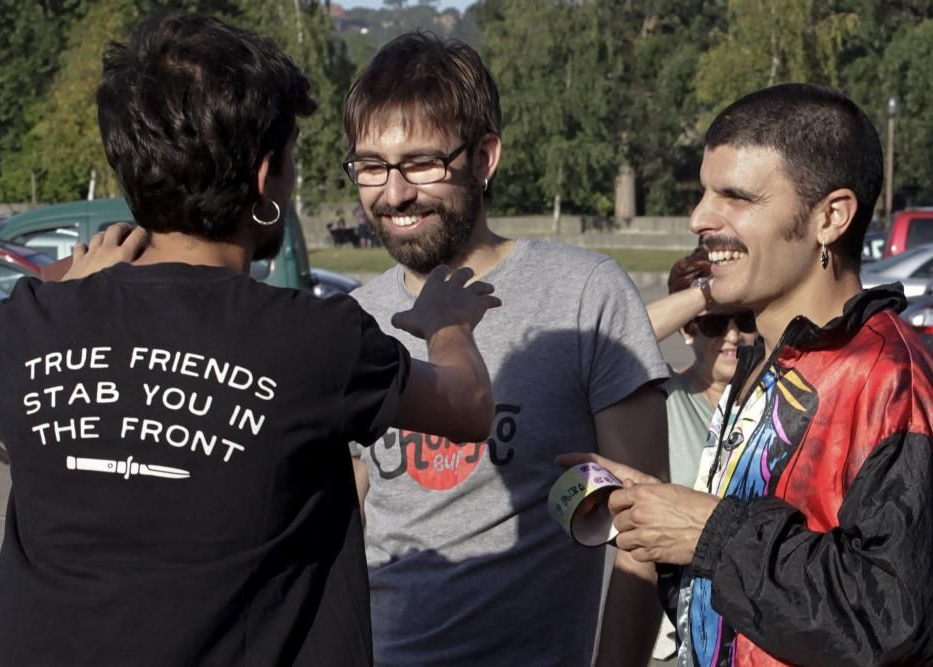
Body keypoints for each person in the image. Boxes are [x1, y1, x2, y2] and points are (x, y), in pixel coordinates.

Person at [0, 15, 501, 666]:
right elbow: (467, 407)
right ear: (266, 176)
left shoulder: (33, 322)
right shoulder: (307, 337)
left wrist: (67, 276)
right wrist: (447, 322)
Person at [561, 83, 933, 666]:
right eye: (705, 192)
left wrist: (708, 531)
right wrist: (657, 510)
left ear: (830, 217)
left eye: (735, 197)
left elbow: (891, 614)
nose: (699, 219)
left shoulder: (889, 377)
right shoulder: (765, 358)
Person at [342, 32, 670, 667]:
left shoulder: (585, 293)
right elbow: (350, 518)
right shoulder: (356, 317)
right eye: (371, 167)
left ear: (485, 157)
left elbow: (644, 529)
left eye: (421, 163)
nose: (394, 193)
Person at [643, 248, 758, 664]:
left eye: (744, 319)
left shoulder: (777, 405)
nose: (731, 336)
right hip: (676, 634)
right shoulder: (663, 398)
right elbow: (619, 338)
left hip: (755, 628)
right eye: (714, 322)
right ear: (689, 329)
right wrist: (711, 292)